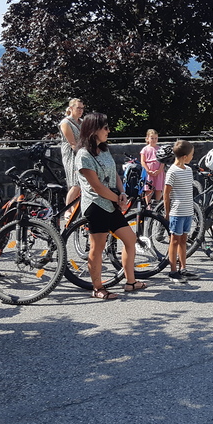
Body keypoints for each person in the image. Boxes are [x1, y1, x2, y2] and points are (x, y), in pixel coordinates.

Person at [75, 112, 147, 299]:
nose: (108, 131)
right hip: (96, 205)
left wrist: (122, 193)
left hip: (111, 203)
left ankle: (130, 282)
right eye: (105, 128)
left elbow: (114, 175)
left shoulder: (105, 150)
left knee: (130, 240)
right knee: (97, 248)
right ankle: (98, 288)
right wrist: (117, 199)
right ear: (93, 130)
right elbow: (97, 187)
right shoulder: (83, 155)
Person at [163, 140, 198, 283]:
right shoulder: (172, 171)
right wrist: (167, 212)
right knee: (174, 240)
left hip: (188, 210)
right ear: (184, 157)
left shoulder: (188, 170)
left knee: (184, 240)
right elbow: (166, 194)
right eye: (191, 155)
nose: (192, 157)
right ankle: (173, 271)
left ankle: (183, 268)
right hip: (177, 212)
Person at [59, 98, 85, 222]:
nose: (80, 110)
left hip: (82, 151)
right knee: (75, 182)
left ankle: (75, 209)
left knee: (80, 183)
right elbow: (72, 143)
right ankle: (67, 210)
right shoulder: (65, 123)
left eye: (82, 108)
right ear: (71, 108)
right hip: (71, 153)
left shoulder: (83, 122)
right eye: (78, 108)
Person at [140, 129, 165, 205]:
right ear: (147, 138)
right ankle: (148, 205)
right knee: (148, 189)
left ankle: (157, 204)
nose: (154, 140)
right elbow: (143, 161)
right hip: (149, 171)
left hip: (159, 171)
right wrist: (148, 170)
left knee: (158, 188)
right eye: (152, 138)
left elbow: (162, 161)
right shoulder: (145, 149)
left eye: (155, 138)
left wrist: (159, 170)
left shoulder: (160, 149)